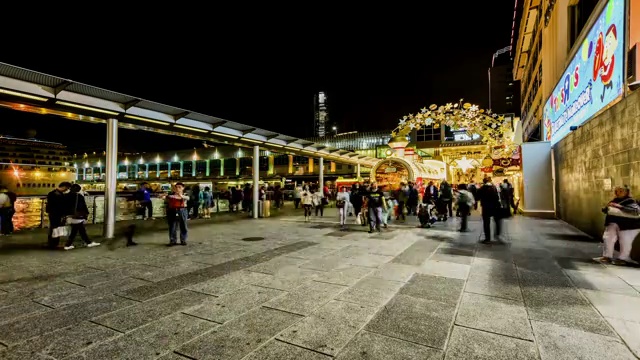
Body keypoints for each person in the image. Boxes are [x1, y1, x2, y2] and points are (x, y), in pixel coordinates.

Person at [595, 185, 640, 265]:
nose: (618, 193)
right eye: (617, 191)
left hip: (628, 226)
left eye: (621, 191)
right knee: (608, 238)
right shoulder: (615, 200)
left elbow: (635, 211)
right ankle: (607, 256)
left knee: (625, 241)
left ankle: (623, 258)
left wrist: (620, 207)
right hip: (613, 223)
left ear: (626, 192)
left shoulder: (631, 201)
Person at [64, 184, 100, 250]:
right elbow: (82, 206)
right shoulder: (79, 196)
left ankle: (70, 244)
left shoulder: (65, 196)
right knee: (78, 230)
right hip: (77, 216)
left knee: (77, 230)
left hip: (69, 216)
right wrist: (86, 215)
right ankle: (69, 244)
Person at [46, 182, 72, 249]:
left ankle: (53, 243)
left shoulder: (54, 193)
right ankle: (53, 243)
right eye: (67, 188)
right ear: (64, 186)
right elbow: (57, 205)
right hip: (55, 213)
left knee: (55, 228)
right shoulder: (55, 194)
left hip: (55, 213)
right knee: (55, 227)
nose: (67, 190)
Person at [476, 177, 502, 244]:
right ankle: (498, 234)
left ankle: (487, 239)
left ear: (483, 182)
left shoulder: (482, 188)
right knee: (497, 220)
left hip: (486, 207)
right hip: (495, 206)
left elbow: (477, 197)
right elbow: (498, 196)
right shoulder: (494, 187)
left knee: (486, 223)